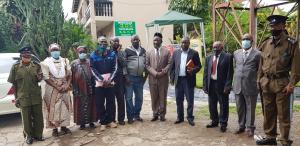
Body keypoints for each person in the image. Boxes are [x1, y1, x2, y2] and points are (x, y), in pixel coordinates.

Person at [256, 15, 300, 146]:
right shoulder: (265, 43)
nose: (272, 28)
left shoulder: (291, 43)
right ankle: (270, 136)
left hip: (282, 83)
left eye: (275, 26)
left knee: (283, 114)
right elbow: (261, 64)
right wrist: (259, 79)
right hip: (266, 82)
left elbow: (296, 68)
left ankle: (285, 140)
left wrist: (291, 84)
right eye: (271, 26)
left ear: (283, 26)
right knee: (268, 112)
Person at [8, 46, 44, 144]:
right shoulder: (15, 67)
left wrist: (39, 77)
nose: (27, 56)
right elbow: (14, 85)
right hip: (23, 97)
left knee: (38, 117)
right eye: (25, 54)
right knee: (26, 119)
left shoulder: (36, 66)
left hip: (35, 96)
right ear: (21, 56)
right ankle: (29, 136)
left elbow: (40, 78)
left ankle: (39, 134)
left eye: (29, 54)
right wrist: (16, 98)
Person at [41, 43, 72, 137]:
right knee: (53, 108)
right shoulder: (45, 62)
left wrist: (67, 84)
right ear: (50, 51)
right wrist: (57, 86)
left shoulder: (65, 61)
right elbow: (46, 78)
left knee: (65, 107)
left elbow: (70, 74)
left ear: (60, 50)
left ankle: (64, 127)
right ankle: (54, 129)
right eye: (53, 50)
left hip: (64, 87)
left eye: (56, 50)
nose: (55, 52)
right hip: (52, 88)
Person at [233, 34, 261, 137]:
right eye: (243, 39)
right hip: (238, 85)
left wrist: (257, 83)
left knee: (250, 108)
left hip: (251, 85)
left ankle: (250, 128)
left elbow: (260, 70)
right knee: (240, 107)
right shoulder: (236, 53)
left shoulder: (258, 54)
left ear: (252, 41)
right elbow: (235, 67)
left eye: (247, 39)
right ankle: (241, 126)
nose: (245, 41)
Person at [170, 36, 201, 126]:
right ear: (181, 43)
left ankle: (190, 118)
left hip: (188, 80)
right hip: (178, 80)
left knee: (190, 100)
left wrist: (193, 70)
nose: (184, 44)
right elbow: (172, 67)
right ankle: (180, 117)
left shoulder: (194, 53)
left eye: (186, 42)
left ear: (189, 44)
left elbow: (198, 66)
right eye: (182, 42)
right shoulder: (176, 53)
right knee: (179, 99)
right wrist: (172, 78)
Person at [203, 41, 233, 132]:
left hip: (222, 85)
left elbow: (230, 73)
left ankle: (223, 123)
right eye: (214, 47)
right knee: (212, 104)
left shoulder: (228, 57)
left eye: (217, 47)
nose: (215, 49)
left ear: (222, 48)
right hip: (211, 84)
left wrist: (227, 86)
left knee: (223, 105)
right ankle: (214, 121)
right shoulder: (208, 58)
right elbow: (205, 73)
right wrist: (205, 85)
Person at [90, 36, 118, 131]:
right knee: (100, 103)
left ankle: (111, 120)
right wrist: (101, 79)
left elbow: (115, 68)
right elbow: (92, 69)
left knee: (111, 102)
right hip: (99, 83)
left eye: (105, 42)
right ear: (97, 44)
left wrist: (110, 79)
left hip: (110, 82)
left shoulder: (112, 54)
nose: (103, 44)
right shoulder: (93, 55)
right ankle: (103, 122)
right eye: (101, 42)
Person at [146, 32, 171, 122]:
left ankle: (162, 114)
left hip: (163, 79)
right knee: (154, 97)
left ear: (161, 41)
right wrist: (155, 73)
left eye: (157, 40)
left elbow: (169, 63)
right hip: (153, 78)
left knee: (162, 96)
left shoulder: (167, 52)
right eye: (154, 40)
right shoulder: (149, 52)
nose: (155, 42)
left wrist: (163, 72)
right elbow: (147, 65)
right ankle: (155, 114)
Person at [71, 46, 97, 130]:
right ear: (77, 53)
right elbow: (71, 77)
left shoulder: (90, 62)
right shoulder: (74, 63)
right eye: (80, 52)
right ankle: (82, 123)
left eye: (83, 52)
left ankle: (91, 121)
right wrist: (74, 88)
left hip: (90, 87)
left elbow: (94, 73)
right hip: (79, 88)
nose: (82, 54)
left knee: (91, 104)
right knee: (80, 105)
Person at [123, 35, 147, 124]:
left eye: (137, 39)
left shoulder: (143, 50)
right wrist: (126, 76)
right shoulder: (127, 50)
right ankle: (130, 117)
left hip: (140, 78)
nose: (136, 41)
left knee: (139, 98)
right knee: (129, 98)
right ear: (131, 41)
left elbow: (146, 64)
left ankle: (136, 115)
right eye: (134, 40)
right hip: (130, 78)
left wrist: (144, 77)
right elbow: (124, 65)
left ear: (139, 40)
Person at [110, 37, 126, 125]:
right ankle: (112, 119)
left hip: (120, 79)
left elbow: (124, 64)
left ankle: (121, 119)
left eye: (117, 41)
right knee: (111, 101)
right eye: (114, 41)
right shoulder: (107, 53)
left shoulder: (122, 53)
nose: (116, 43)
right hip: (111, 79)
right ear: (110, 43)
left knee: (120, 100)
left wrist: (119, 52)